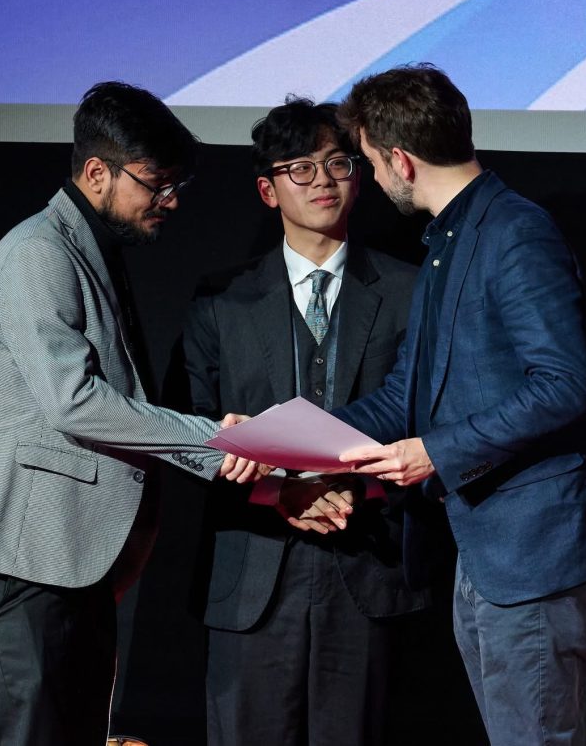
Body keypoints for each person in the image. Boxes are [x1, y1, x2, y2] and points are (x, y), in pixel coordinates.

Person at [0, 80, 263, 746]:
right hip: (21, 570)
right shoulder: (38, 252)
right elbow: (74, 400)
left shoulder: (87, 251)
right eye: (155, 182)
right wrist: (211, 439)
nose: (169, 199)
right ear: (96, 172)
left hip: (71, 570)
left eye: (176, 183)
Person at [320, 64, 586, 746]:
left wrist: (436, 450)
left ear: (400, 158)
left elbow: (563, 384)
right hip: (484, 552)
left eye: (368, 161)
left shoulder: (516, 232)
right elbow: (407, 394)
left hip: (534, 554)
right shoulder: (446, 242)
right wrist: (299, 434)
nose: (369, 179)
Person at [181, 97, 431, 746]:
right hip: (253, 574)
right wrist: (279, 490)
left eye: (337, 162)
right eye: (300, 168)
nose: (323, 179)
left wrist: (359, 488)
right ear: (268, 189)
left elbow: (430, 421)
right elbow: (187, 429)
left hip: (367, 566)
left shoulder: (410, 291)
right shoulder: (221, 300)